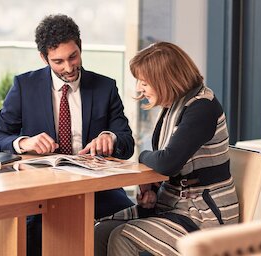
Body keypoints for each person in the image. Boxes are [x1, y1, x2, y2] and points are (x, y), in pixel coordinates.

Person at [0, 14, 135, 256]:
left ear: (80, 47)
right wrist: (25, 142)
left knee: (131, 224)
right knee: (30, 233)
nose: (68, 68)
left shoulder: (105, 87)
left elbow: (126, 142)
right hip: (42, 189)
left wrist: (111, 137)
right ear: (43, 57)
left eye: (73, 57)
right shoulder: (25, 86)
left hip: (96, 189)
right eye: (58, 61)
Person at [94, 41, 239, 256]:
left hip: (203, 215)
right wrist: (152, 191)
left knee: (122, 236)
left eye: (144, 82)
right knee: (100, 231)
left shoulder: (202, 107)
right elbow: (167, 162)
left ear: (165, 80)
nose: (138, 88)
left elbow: (167, 162)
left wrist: (142, 157)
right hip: (176, 205)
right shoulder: (175, 106)